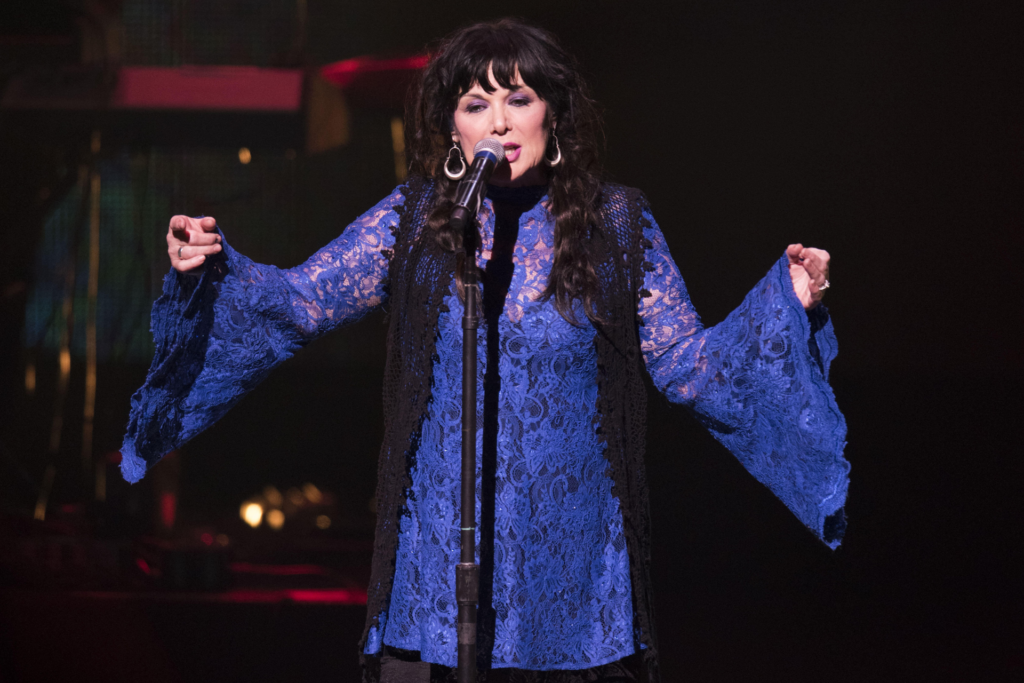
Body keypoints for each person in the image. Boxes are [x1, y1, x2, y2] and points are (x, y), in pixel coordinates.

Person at [120, 18, 849, 683]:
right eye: (475, 104)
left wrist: (784, 303)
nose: (498, 120)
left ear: (553, 116)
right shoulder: (414, 219)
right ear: (451, 131)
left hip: (573, 594)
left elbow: (690, 366)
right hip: (435, 590)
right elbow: (302, 303)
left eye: (519, 98)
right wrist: (212, 265)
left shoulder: (615, 224)